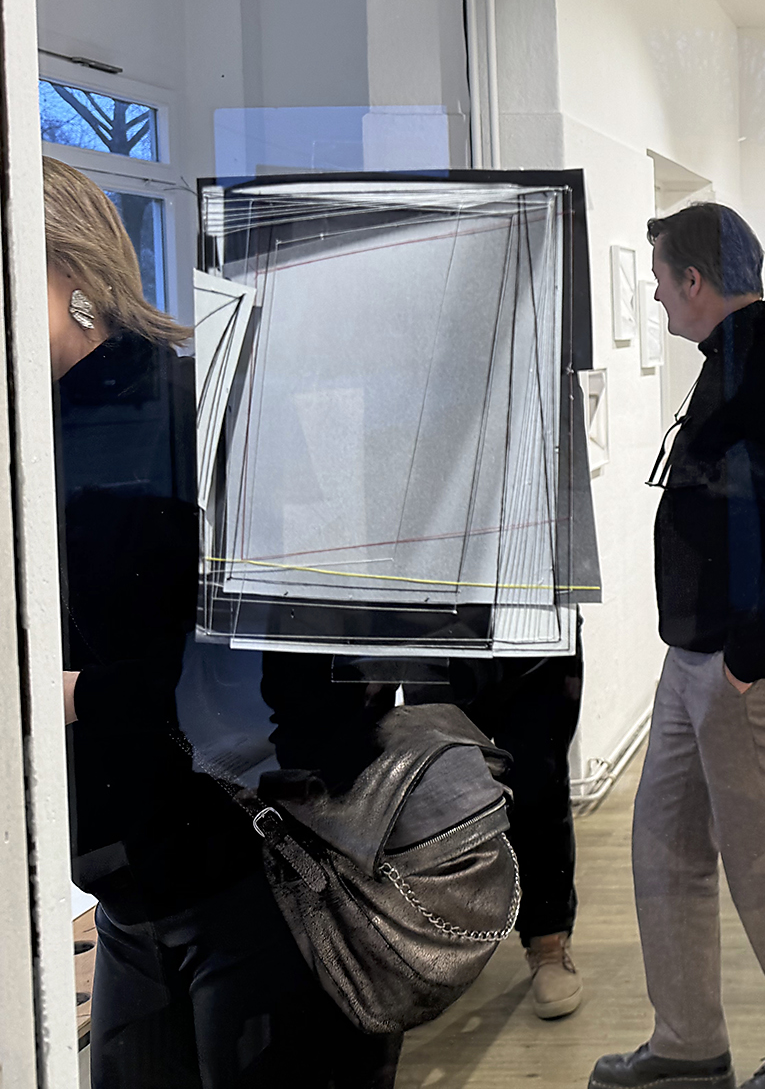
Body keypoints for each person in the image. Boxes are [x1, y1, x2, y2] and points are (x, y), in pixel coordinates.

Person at [47, 158, 400, 1086]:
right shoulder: (41, 431)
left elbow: (281, 653)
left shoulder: (198, 407)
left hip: (256, 868)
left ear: (72, 273)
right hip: (130, 879)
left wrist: (78, 696)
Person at [590, 203, 765, 1089]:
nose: (657, 299)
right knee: (664, 838)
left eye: (661, 281)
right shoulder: (729, 362)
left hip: (745, 664)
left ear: (695, 280)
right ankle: (687, 1042)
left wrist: (750, 657)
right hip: (696, 654)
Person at [407, 647, 586, 1018]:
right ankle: (452, 944)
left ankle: (548, 941)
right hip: (433, 630)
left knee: (539, 783)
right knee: (438, 789)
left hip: (532, 630)